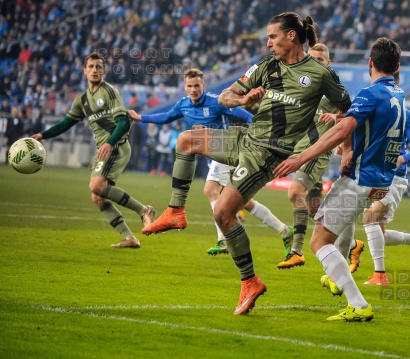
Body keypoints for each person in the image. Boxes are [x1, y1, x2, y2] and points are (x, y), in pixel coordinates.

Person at [141, 12, 351, 316]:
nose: (268, 43)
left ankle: (249, 281)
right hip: (246, 139)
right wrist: (241, 101)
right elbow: (227, 95)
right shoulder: (266, 66)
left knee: (223, 213)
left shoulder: (320, 74)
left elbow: (350, 112)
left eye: (273, 37)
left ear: (291, 36)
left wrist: (346, 148)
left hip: (266, 154)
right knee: (186, 139)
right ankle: (175, 211)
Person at [274, 37, 404, 321]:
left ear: (370, 63)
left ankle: (357, 304)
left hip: (360, 179)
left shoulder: (370, 94)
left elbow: (340, 130)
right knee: (329, 230)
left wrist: (300, 158)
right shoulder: (400, 97)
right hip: (381, 179)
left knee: (319, 241)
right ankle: (343, 280)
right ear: (397, 67)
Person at [128, 68, 293, 256]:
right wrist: (140, 117)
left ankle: (223, 240)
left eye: (197, 85)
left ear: (203, 85)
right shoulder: (183, 105)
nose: (193, 90)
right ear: (185, 87)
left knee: (210, 189)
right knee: (244, 202)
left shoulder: (216, 102)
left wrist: (262, 133)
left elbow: (245, 115)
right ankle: (285, 230)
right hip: (211, 159)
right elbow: (165, 117)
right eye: (189, 86)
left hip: (226, 151)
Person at [31, 52, 155, 248]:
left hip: (116, 145)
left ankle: (143, 210)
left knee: (96, 186)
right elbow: (65, 124)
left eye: (98, 67)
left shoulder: (109, 92)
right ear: (85, 71)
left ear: (104, 71)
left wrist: (109, 142)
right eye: (91, 67)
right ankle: (130, 238)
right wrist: (43, 135)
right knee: (97, 196)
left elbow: (123, 122)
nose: (95, 70)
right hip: (104, 148)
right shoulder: (82, 100)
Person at [356, 71, 410, 286]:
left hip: (394, 178)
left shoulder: (405, 114)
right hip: (374, 176)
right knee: (380, 234)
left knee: (369, 217)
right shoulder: (376, 111)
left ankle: (380, 276)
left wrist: (402, 158)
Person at [277, 42, 342, 269]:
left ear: (328, 63)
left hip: (317, 153)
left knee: (295, 192)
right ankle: (351, 244)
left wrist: (336, 120)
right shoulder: (303, 88)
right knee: (315, 211)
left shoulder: (336, 91)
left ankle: (296, 250)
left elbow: (355, 118)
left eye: (320, 60)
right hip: (299, 151)